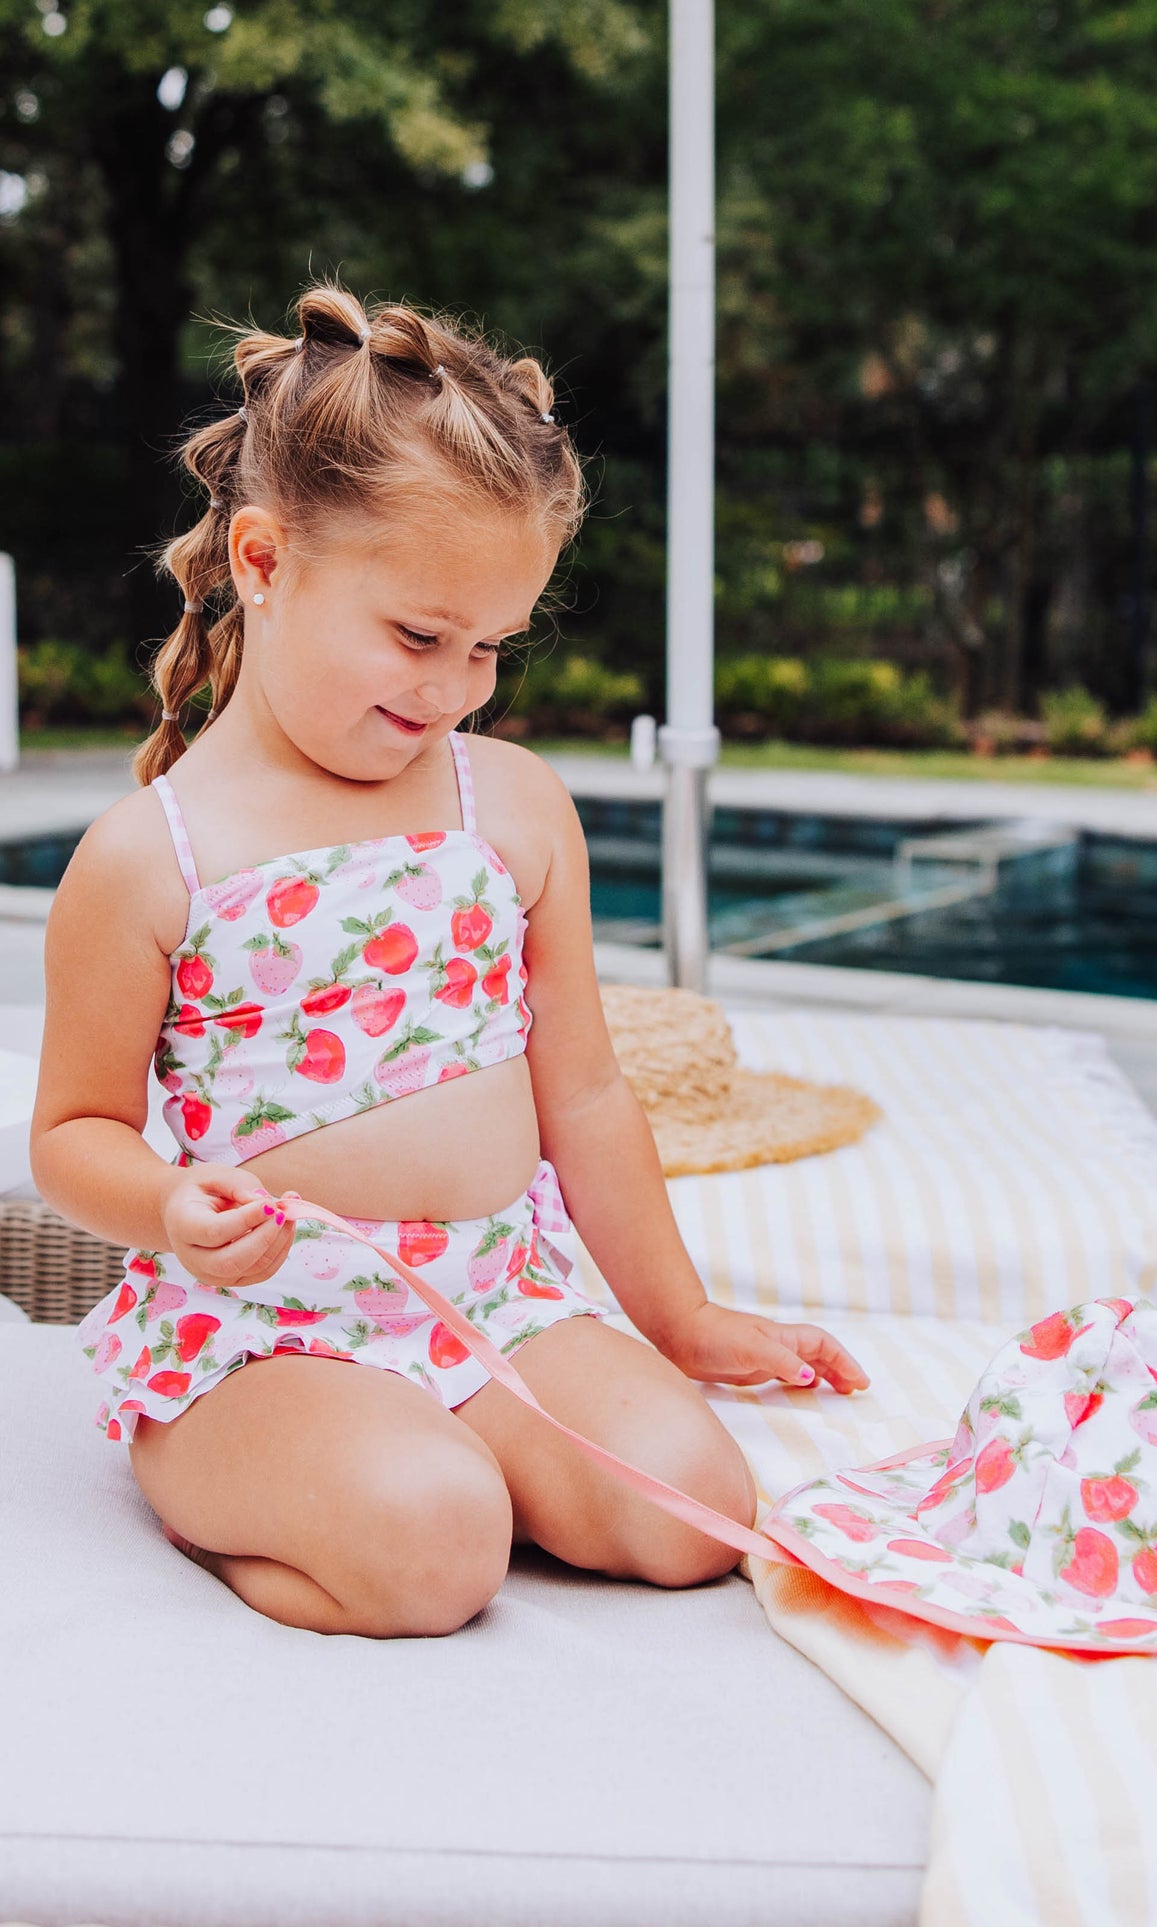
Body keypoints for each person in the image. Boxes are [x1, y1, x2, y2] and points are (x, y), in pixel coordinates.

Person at [29, 279, 870, 1640]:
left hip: (494, 1294)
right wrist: (168, 1208)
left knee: (687, 1513)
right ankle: (240, 1489)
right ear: (262, 561)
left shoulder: (512, 807)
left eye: (489, 648)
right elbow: (72, 1132)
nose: (454, 687)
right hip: (271, 1330)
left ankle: (432, 1452)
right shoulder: (150, 859)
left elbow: (584, 1097)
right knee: (437, 1551)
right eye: (419, 637)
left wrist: (682, 1317)